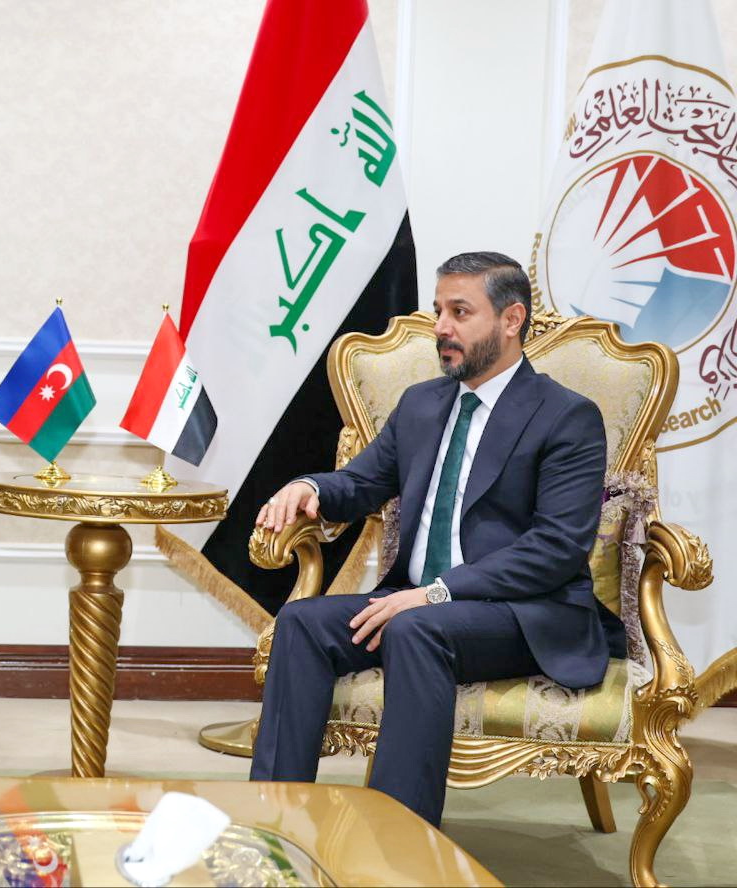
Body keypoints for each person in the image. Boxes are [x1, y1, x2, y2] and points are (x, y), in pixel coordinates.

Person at [249, 251, 626, 827]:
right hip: (417, 602)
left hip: (524, 613)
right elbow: (361, 483)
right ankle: (271, 823)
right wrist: (309, 487)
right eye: (438, 311)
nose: (441, 328)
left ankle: (400, 842)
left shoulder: (566, 416)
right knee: (302, 623)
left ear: (511, 319)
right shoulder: (422, 404)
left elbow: (556, 548)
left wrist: (435, 593)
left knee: (416, 627)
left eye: (460, 312)